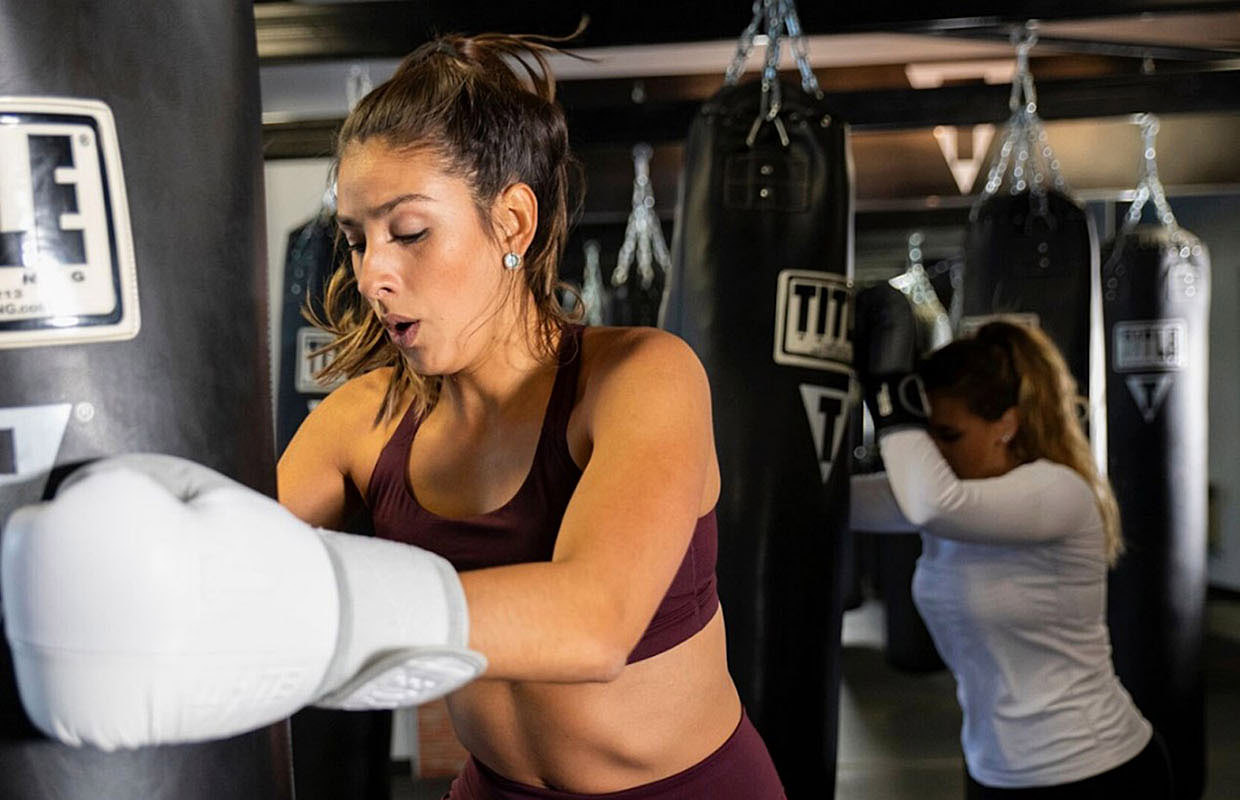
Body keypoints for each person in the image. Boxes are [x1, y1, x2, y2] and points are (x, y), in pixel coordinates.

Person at [272, 33, 785, 799]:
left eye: (409, 232)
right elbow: (232, 564)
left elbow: (594, 623)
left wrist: (339, 608)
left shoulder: (640, 378)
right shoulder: (363, 422)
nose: (373, 273)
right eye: (355, 240)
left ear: (512, 222)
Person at [850, 286, 1172, 799]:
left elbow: (932, 503)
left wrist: (889, 389)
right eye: (925, 437)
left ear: (1006, 424)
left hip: (1096, 771)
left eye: (948, 436)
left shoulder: (1056, 491)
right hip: (992, 772)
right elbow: (835, 506)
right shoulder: (949, 495)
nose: (932, 455)